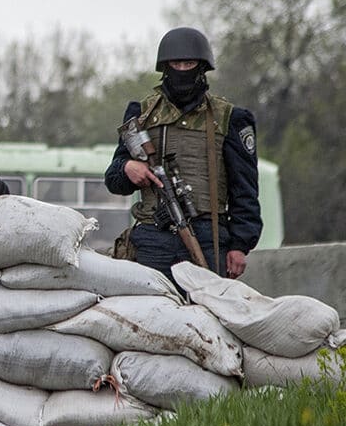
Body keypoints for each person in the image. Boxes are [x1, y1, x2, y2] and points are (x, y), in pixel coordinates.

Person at [104, 27, 261, 283]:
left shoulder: (230, 118)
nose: (182, 69)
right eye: (176, 64)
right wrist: (127, 168)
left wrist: (240, 244)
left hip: (207, 236)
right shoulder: (142, 115)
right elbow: (113, 181)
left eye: (189, 64)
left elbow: (245, 189)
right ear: (166, 68)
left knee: (209, 304)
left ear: (202, 68)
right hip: (153, 236)